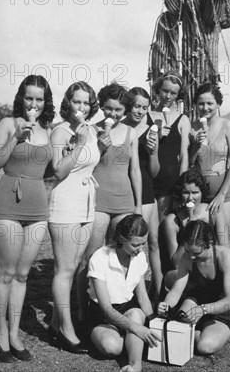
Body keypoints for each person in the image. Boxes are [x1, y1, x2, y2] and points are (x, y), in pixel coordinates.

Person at [0, 75, 54, 362]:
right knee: (4, 273)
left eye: (39, 99)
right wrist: (16, 136)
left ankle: (14, 334)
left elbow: (56, 169)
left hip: (38, 206)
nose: (34, 104)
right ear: (21, 97)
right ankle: (0, 333)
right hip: (7, 204)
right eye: (29, 98)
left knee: (22, 274)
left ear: (46, 101)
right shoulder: (7, 123)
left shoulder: (49, 129)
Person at [77, 83, 142, 322]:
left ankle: (118, 307)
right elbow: (83, 164)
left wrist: (136, 205)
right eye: (108, 108)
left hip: (124, 201)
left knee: (122, 256)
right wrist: (99, 147)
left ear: (124, 109)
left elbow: (135, 171)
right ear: (101, 107)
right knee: (91, 257)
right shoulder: (91, 130)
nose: (112, 114)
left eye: (117, 110)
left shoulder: (130, 132)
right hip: (98, 201)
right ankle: (84, 311)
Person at [48, 81, 100, 353]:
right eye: (76, 101)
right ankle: (67, 332)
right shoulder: (60, 132)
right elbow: (57, 172)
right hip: (66, 203)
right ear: (67, 103)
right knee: (65, 270)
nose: (81, 107)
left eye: (86, 102)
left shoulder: (89, 130)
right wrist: (78, 144)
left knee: (73, 265)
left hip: (87, 203)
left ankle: (57, 323)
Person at [87, 214, 161, 372]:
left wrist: (154, 321)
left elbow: (142, 297)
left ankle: (135, 365)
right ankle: (130, 340)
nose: (141, 249)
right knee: (112, 348)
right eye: (135, 245)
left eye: (143, 243)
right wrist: (137, 328)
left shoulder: (139, 257)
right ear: (121, 239)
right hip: (103, 314)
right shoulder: (99, 258)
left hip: (128, 309)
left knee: (135, 314)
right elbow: (106, 309)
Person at [158, 220, 230, 356]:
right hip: (196, 301)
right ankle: (196, 330)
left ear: (210, 244)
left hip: (220, 310)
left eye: (197, 253)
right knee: (176, 328)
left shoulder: (225, 256)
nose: (191, 256)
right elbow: (176, 291)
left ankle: (197, 332)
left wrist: (203, 310)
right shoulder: (187, 258)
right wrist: (166, 305)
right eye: (187, 251)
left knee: (205, 347)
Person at [122, 87, 163, 298]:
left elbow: (155, 172)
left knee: (152, 243)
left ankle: (157, 292)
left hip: (146, 190)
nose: (139, 111)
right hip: (123, 187)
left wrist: (153, 152)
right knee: (128, 243)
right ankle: (128, 292)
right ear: (129, 105)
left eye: (144, 107)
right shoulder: (120, 127)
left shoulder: (152, 129)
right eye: (136, 106)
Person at [161, 167, 229, 290]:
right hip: (188, 270)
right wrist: (189, 229)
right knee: (170, 277)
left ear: (202, 193)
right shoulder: (172, 221)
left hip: (210, 267)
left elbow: (226, 247)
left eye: (195, 193)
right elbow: (175, 263)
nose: (190, 198)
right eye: (186, 193)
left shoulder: (214, 212)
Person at [190, 82, 230, 236]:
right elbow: (188, 164)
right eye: (201, 104)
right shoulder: (192, 128)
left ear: (218, 104)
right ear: (195, 105)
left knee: (222, 241)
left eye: (210, 103)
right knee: (199, 241)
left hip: (223, 196)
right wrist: (195, 145)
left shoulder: (227, 126)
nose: (205, 108)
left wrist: (222, 194)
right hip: (199, 195)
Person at [149, 70, 191, 221]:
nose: (167, 96)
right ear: (158, 89)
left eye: (173, 93)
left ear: (178, 95)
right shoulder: (147, 116)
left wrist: (181, 186)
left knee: (163, 229)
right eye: (165, 91)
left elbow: (184, 155)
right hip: (148, 179)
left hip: (170, 182)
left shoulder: (183, 119)